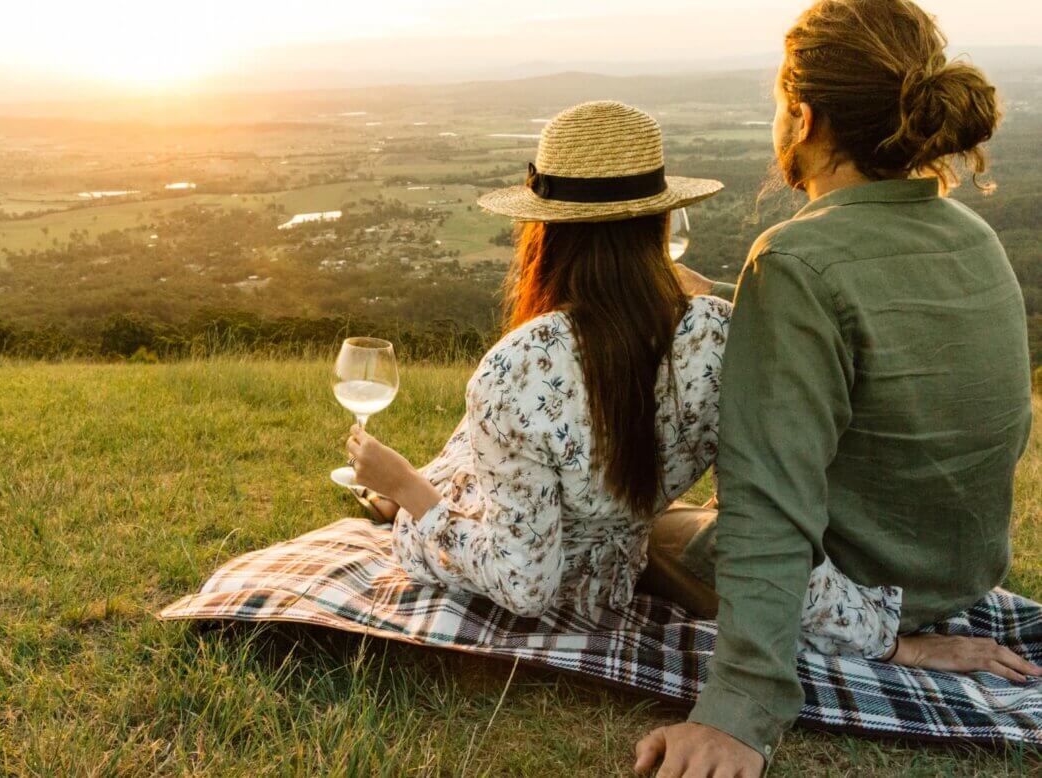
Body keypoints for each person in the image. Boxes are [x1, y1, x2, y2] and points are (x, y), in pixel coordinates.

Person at [346, 100, 915, 664]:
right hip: (609, 581)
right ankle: (403, 493)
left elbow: (523, 585)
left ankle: (394, 497)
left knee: (434, 477)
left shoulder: (517, 366)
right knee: (467, 456)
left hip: (517, 553)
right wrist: (886, 640)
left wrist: (407, 490)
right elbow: (767, 527)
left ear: (547, 230)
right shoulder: (722, 336)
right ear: (658, 220)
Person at [633, 1, 1039, 775]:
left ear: (804, 116)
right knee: (675, 518)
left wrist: (738, 712)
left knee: (632, 528)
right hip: (950, 574)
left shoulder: (793, 258)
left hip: (864, 591)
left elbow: (768, 502)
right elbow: (889, 335)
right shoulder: (972, 234)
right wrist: (723, 294)